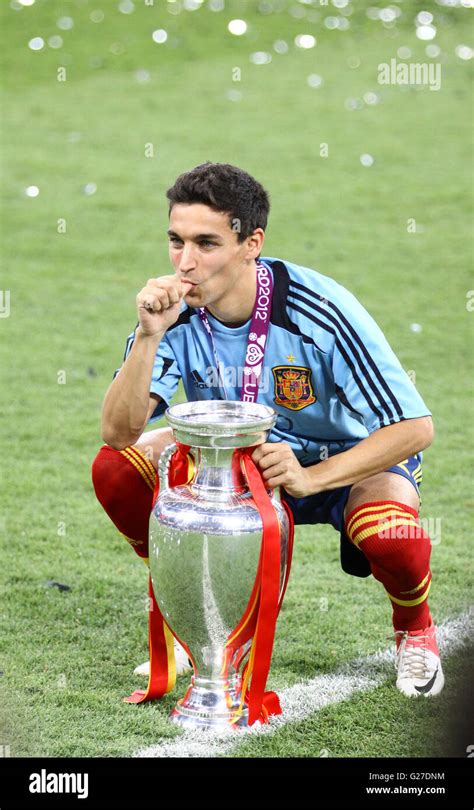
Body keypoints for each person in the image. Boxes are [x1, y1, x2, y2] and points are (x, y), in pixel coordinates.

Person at [92, 162, 444, 697]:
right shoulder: (171, 314)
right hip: (238, 464)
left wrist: (313, 476)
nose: (185, 262)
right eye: (175, 240)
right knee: (117, 469)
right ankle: (192, 620)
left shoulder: (319, 309)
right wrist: (146, 337)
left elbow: (415, 428)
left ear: (251, 242)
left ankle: (415, 630)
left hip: (341, 458)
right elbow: (118, 433)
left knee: (394, 539)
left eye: (206, 243)